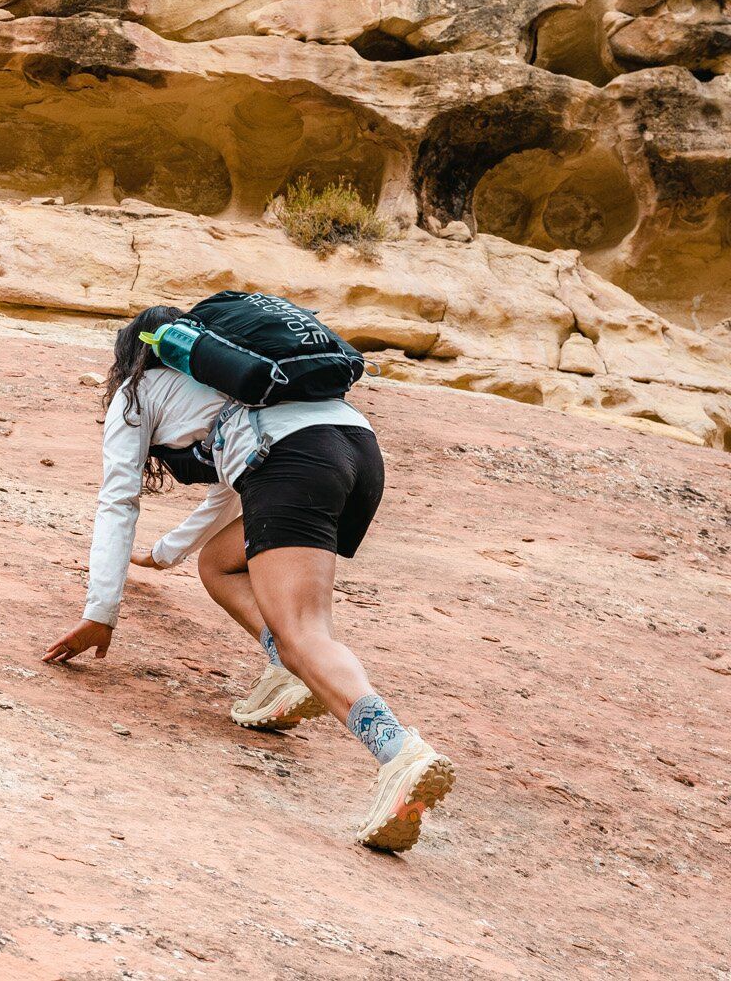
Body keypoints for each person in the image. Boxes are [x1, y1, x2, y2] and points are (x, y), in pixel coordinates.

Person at [42, 305, 455, 851]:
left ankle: (399, 752)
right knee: (219, 565)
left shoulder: (138, 393)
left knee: (306, 630)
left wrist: (100, 613)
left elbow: (119, 500)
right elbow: (227, 491)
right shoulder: (234, 378)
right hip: (356, 450)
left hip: (297, 462)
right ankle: (288, 671)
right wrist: (164, 555)